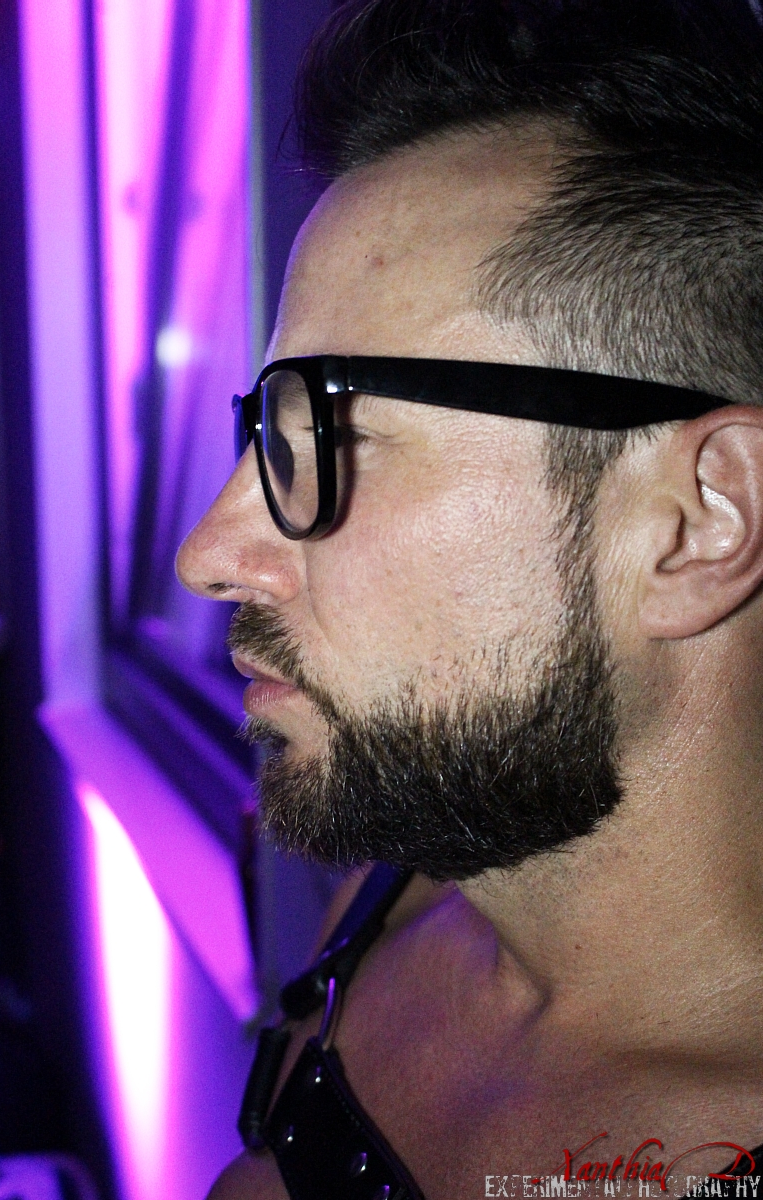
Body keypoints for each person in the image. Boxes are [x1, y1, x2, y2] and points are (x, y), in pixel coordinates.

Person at [175, 1, 763, 1197]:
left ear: (700, 517)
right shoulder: (393, 901)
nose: (209, 555)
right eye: (268, 438)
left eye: (334, 433)